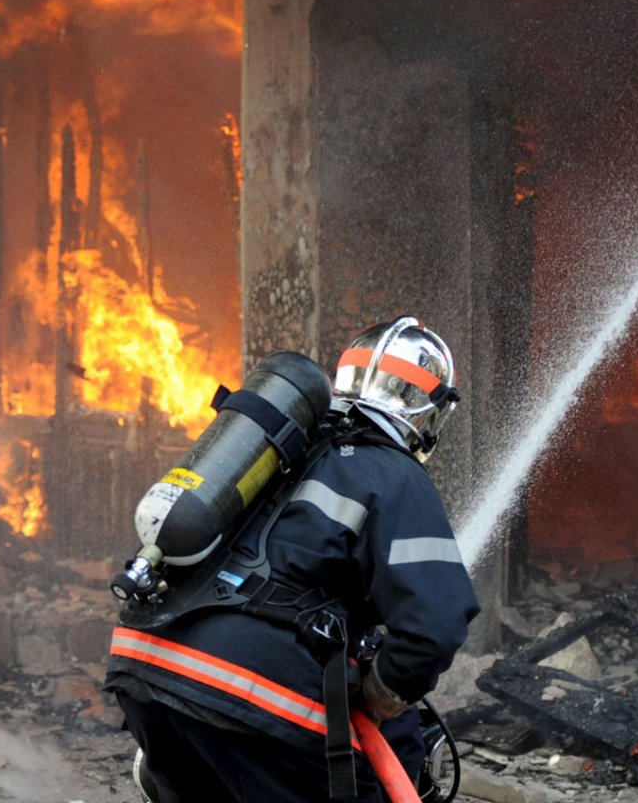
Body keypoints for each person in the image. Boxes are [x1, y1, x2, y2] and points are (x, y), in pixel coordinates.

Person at [106, 316, 480, 803]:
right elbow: (435, 627)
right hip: (243, 693)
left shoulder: (276, 449)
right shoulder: (394, 475)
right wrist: (377, 694)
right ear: (423, 408)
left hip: (143, 662)